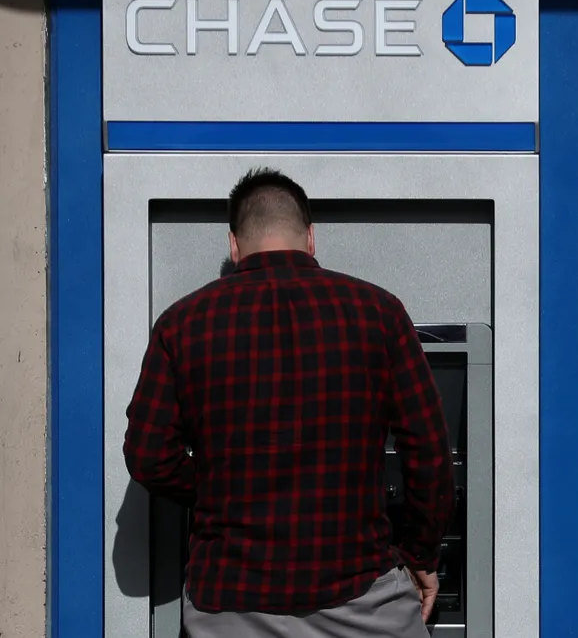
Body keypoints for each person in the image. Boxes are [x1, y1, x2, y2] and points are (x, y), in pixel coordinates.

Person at [123, 167, 455, 638]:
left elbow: (148, 455)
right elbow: (429, 449)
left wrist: (218, 486)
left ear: (234, 245)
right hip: (361, 599)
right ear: (311, 238)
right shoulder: (378, 312)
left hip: (229, 607)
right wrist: (420, 553)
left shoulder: (182, 324)